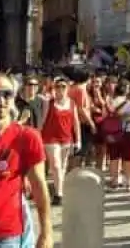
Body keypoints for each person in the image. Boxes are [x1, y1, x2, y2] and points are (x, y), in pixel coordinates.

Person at [0, 72, 53, 248]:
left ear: (14, 97)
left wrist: (46, 233)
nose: (0, 100)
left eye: (6, 94)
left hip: (6, 236)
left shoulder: (27, 137)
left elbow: (40, 186)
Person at [38, 76, 81, 206]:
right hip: (50, 138)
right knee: (55, 166)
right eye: (58, 87)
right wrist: (37, 136)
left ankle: (58, 192)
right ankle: (60, 193)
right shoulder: (49, 103)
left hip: (66, 138)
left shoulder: (72, 103)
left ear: (67, 89)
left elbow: (76, 122)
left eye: (63, 87)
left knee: (62, 167)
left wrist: (78, 140)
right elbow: (42, 121)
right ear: (54, 88)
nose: (60, 89)